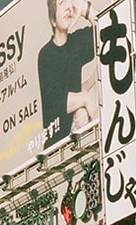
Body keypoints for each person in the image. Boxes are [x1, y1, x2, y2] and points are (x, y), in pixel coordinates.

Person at [38, 0, 98, 149]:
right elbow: (55, 100)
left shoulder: (76, 42)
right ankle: (103, 136)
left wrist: (86, 9)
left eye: (70, 3)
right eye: (61, 3)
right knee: (82, 108)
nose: (68, 8)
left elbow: (108, 30)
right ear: (53, 19)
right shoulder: (46, 55)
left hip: (78, 133)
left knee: (82, 108)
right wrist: (83, 98)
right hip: (57, 147)